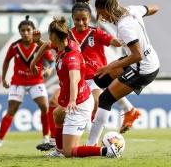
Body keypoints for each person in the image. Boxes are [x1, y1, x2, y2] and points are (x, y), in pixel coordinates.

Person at [35, 0, 141, 151]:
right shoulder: (67, 35)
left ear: (89, 18)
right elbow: (50, 45)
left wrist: (129, 35)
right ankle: (54, 140)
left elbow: (115, 42)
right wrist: (37, 48)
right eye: (77, 19)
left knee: (99, 101)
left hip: (95, 78)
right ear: (72, 19)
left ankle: (93, 141)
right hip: (74, 79)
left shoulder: (96, 32)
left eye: (84, 19)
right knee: (53, 102)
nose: (80, 22)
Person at [30, 16, 121, 158]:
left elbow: (75, 78)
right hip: (78, 98)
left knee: (70, 151)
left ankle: (106, 151)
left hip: (79, 103)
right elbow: (47, 45)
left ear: (54, 35)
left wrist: (72, 100)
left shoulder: (71, 56)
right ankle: (58, 151)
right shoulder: (64, 44)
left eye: (49, 35)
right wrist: (33, 63)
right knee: (57, 115)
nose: (49, 38)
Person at [86, 0, 160, 146]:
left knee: (105, 99)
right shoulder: (132, 10)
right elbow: (155, 7)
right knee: (100, 80)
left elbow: (137, 55)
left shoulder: (124, 26)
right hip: (141, 61)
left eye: (102, 14)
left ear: (108, 9)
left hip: (144, 68)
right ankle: (130, 111)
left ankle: (90, 146)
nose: (102, 18)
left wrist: (111, 65)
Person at [0, 15, 56, 148]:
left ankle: (45, 137)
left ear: (33, 31)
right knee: (11, 109)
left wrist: (49, 70)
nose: (26, 33)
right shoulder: (14, 46)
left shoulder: (40, 46)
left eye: (28, 30)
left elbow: (52, 62)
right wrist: (3, 78)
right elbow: (6, 61)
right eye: (23, 30)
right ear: (19, 32)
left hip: (36, 81)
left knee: (45, 107)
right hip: (18, 82)